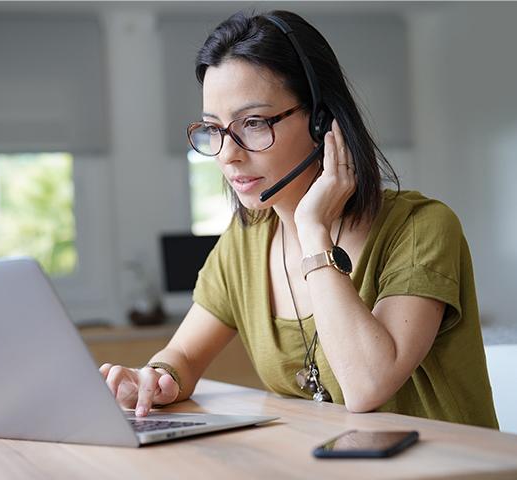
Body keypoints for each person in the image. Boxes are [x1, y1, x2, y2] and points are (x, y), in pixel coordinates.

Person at [100, 9, 498, 429]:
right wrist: (154, 378)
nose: (227, 154)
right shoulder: (247, 240)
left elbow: (366, 385)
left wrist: (313, 229)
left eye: (253, 123)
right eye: (214, 129)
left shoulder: (423, 228)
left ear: (322, 120)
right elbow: (182, 356)